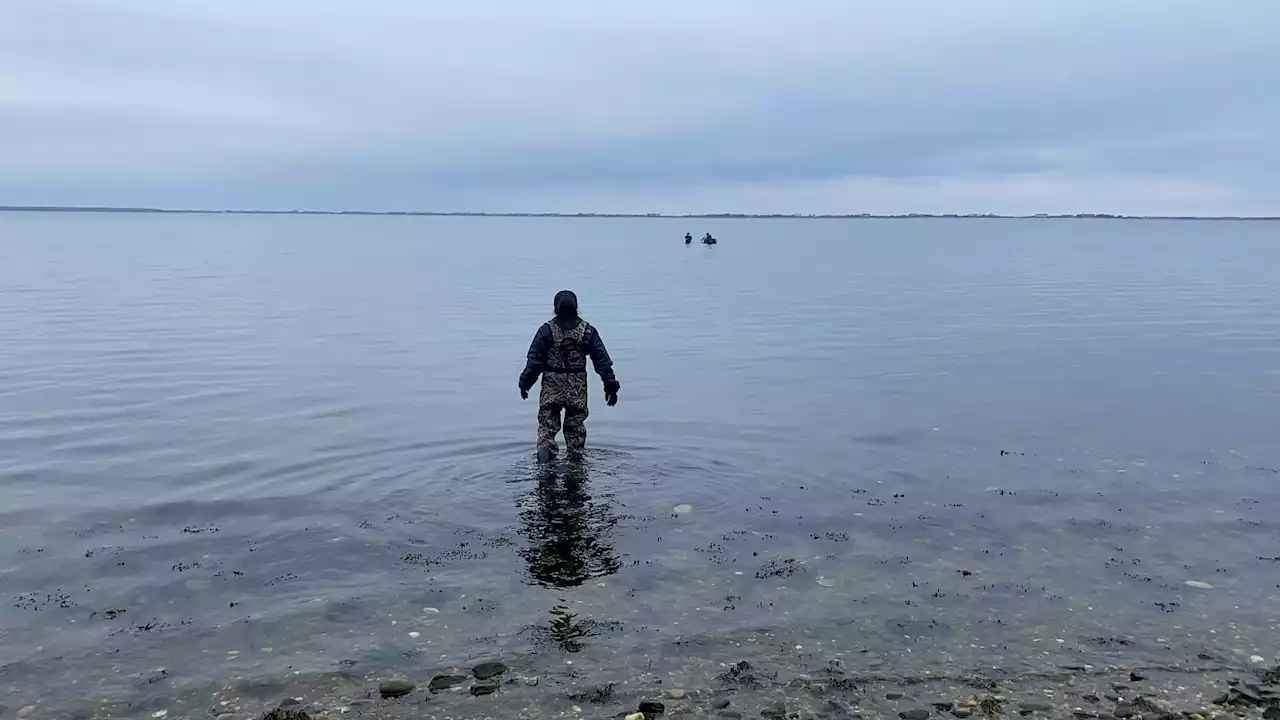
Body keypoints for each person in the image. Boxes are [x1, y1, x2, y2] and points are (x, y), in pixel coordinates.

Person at [519, 290, 620, 462]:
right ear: (576, 307)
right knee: (575, 430)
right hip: (577, 388)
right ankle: (576, 467)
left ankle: (544, 461)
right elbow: (602, 360)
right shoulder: (587, 331)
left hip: (552, 386)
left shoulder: (547, 330)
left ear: (555, 308)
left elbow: (534, 361)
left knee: (547, 428)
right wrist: (610, 385)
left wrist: (525, 383)